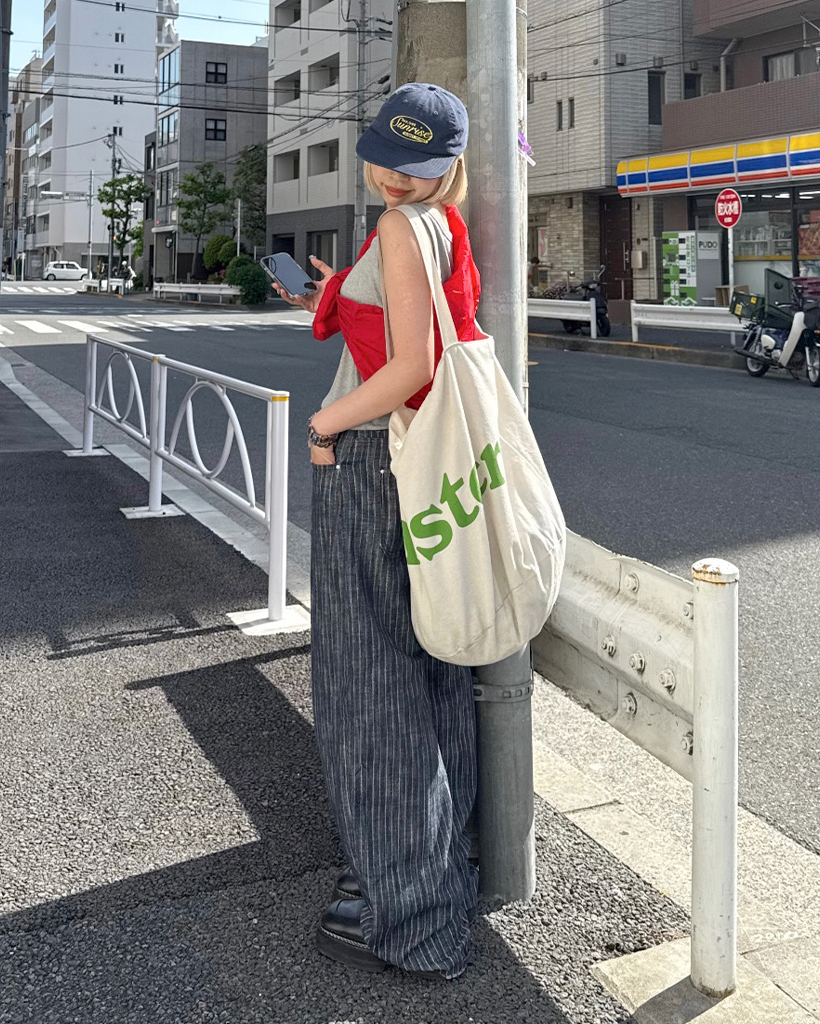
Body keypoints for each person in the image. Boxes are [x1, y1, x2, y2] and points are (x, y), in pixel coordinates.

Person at [272, 83, 481, 980]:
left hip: (370, 462)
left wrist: (323, 428)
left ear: (449, 163)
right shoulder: (442, 226)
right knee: (430, 671)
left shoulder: (399, 227)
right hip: (422, 470)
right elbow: (409, 332)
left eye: (415, 164)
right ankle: (434, 877)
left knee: (369, 690)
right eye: (387, 159)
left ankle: (413, 918)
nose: (395, 178)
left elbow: (410, 366)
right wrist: (336, 296)